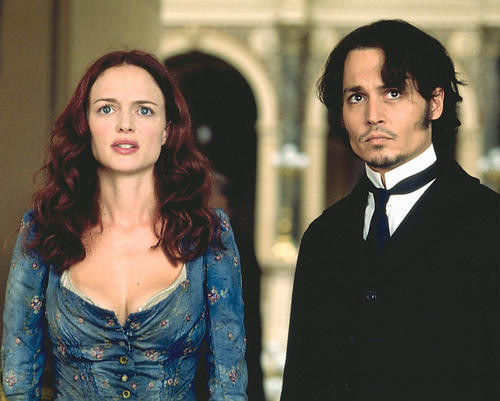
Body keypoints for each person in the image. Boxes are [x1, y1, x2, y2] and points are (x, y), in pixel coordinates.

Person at [1, 50, 248, 401]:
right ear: (85, 125)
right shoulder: (44, 229)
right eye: (107, 109)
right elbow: (18, 379)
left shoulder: (208, 233)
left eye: (144, 110)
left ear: (167, 130)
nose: (125, 124)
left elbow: (229, 384)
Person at [280, 19, 500, 401]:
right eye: (356, 97)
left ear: (435, 102)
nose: (373, 115)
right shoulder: (322, 237)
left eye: (393, 93)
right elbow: (301, 382)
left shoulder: (489, 225)